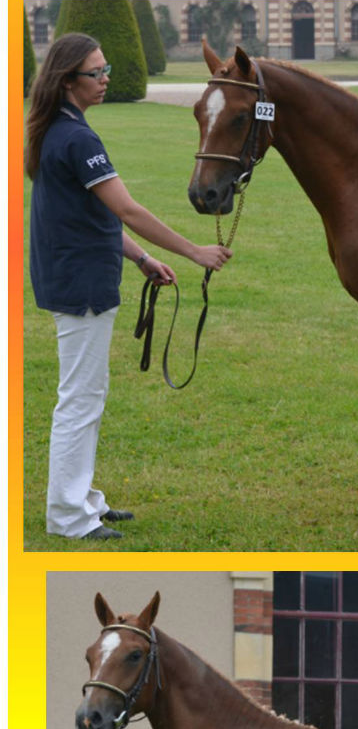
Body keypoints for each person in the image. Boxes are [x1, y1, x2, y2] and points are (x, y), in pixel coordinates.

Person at [25, 31, 231, 540]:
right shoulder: (76, 138)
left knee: (87, 394)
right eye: (96, 72)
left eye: (106, 67)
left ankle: (82, 499)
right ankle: (69, 515)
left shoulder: (60, 128)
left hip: (75, 273)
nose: (105, 78)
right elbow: (127, 209)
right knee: (79, 398)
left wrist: (141, 257)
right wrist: (193, 251)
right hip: (81, 282)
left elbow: (91, 214)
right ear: (68, 80)